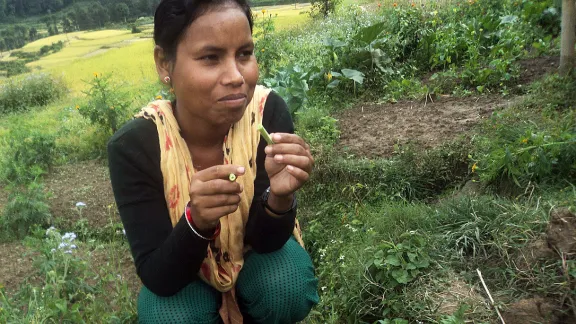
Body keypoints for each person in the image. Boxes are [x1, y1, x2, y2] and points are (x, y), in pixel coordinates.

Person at [107, 0, 319, 323]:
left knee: (283, 284)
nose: (236, 76)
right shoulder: (135, 146)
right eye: (210, 57)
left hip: (255, 261)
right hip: (182, 278)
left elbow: (266, 241)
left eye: (244, 54)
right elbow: (158, 274)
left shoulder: (266, 114)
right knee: (169, 316)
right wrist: (197, 221)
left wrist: (279, 198)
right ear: (165, 63)